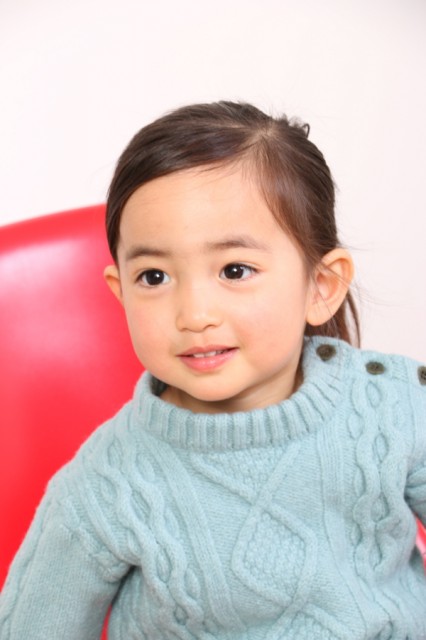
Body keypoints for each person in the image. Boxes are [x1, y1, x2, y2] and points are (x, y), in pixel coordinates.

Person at [1, 101, 425, 639]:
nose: (194, 314)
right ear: (121, 292)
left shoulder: (396, 407)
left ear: (321, 286)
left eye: (235, 270)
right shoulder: (108, 482)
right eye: (154, 277)